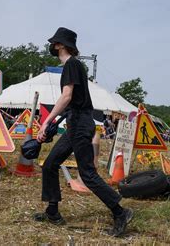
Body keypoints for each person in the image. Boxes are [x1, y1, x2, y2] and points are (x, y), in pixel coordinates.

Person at [35, 27, 133, 237]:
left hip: (80, 123)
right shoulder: (74, 65)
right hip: (76, 123)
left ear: (61, 45)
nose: (52, 46)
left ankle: (120, 212)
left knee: (87, 174)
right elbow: (71, 101)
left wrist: (46, 122)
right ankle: (53, 211)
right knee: (50, 164)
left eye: (54, 43)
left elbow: (67, 96)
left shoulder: (71, 64)